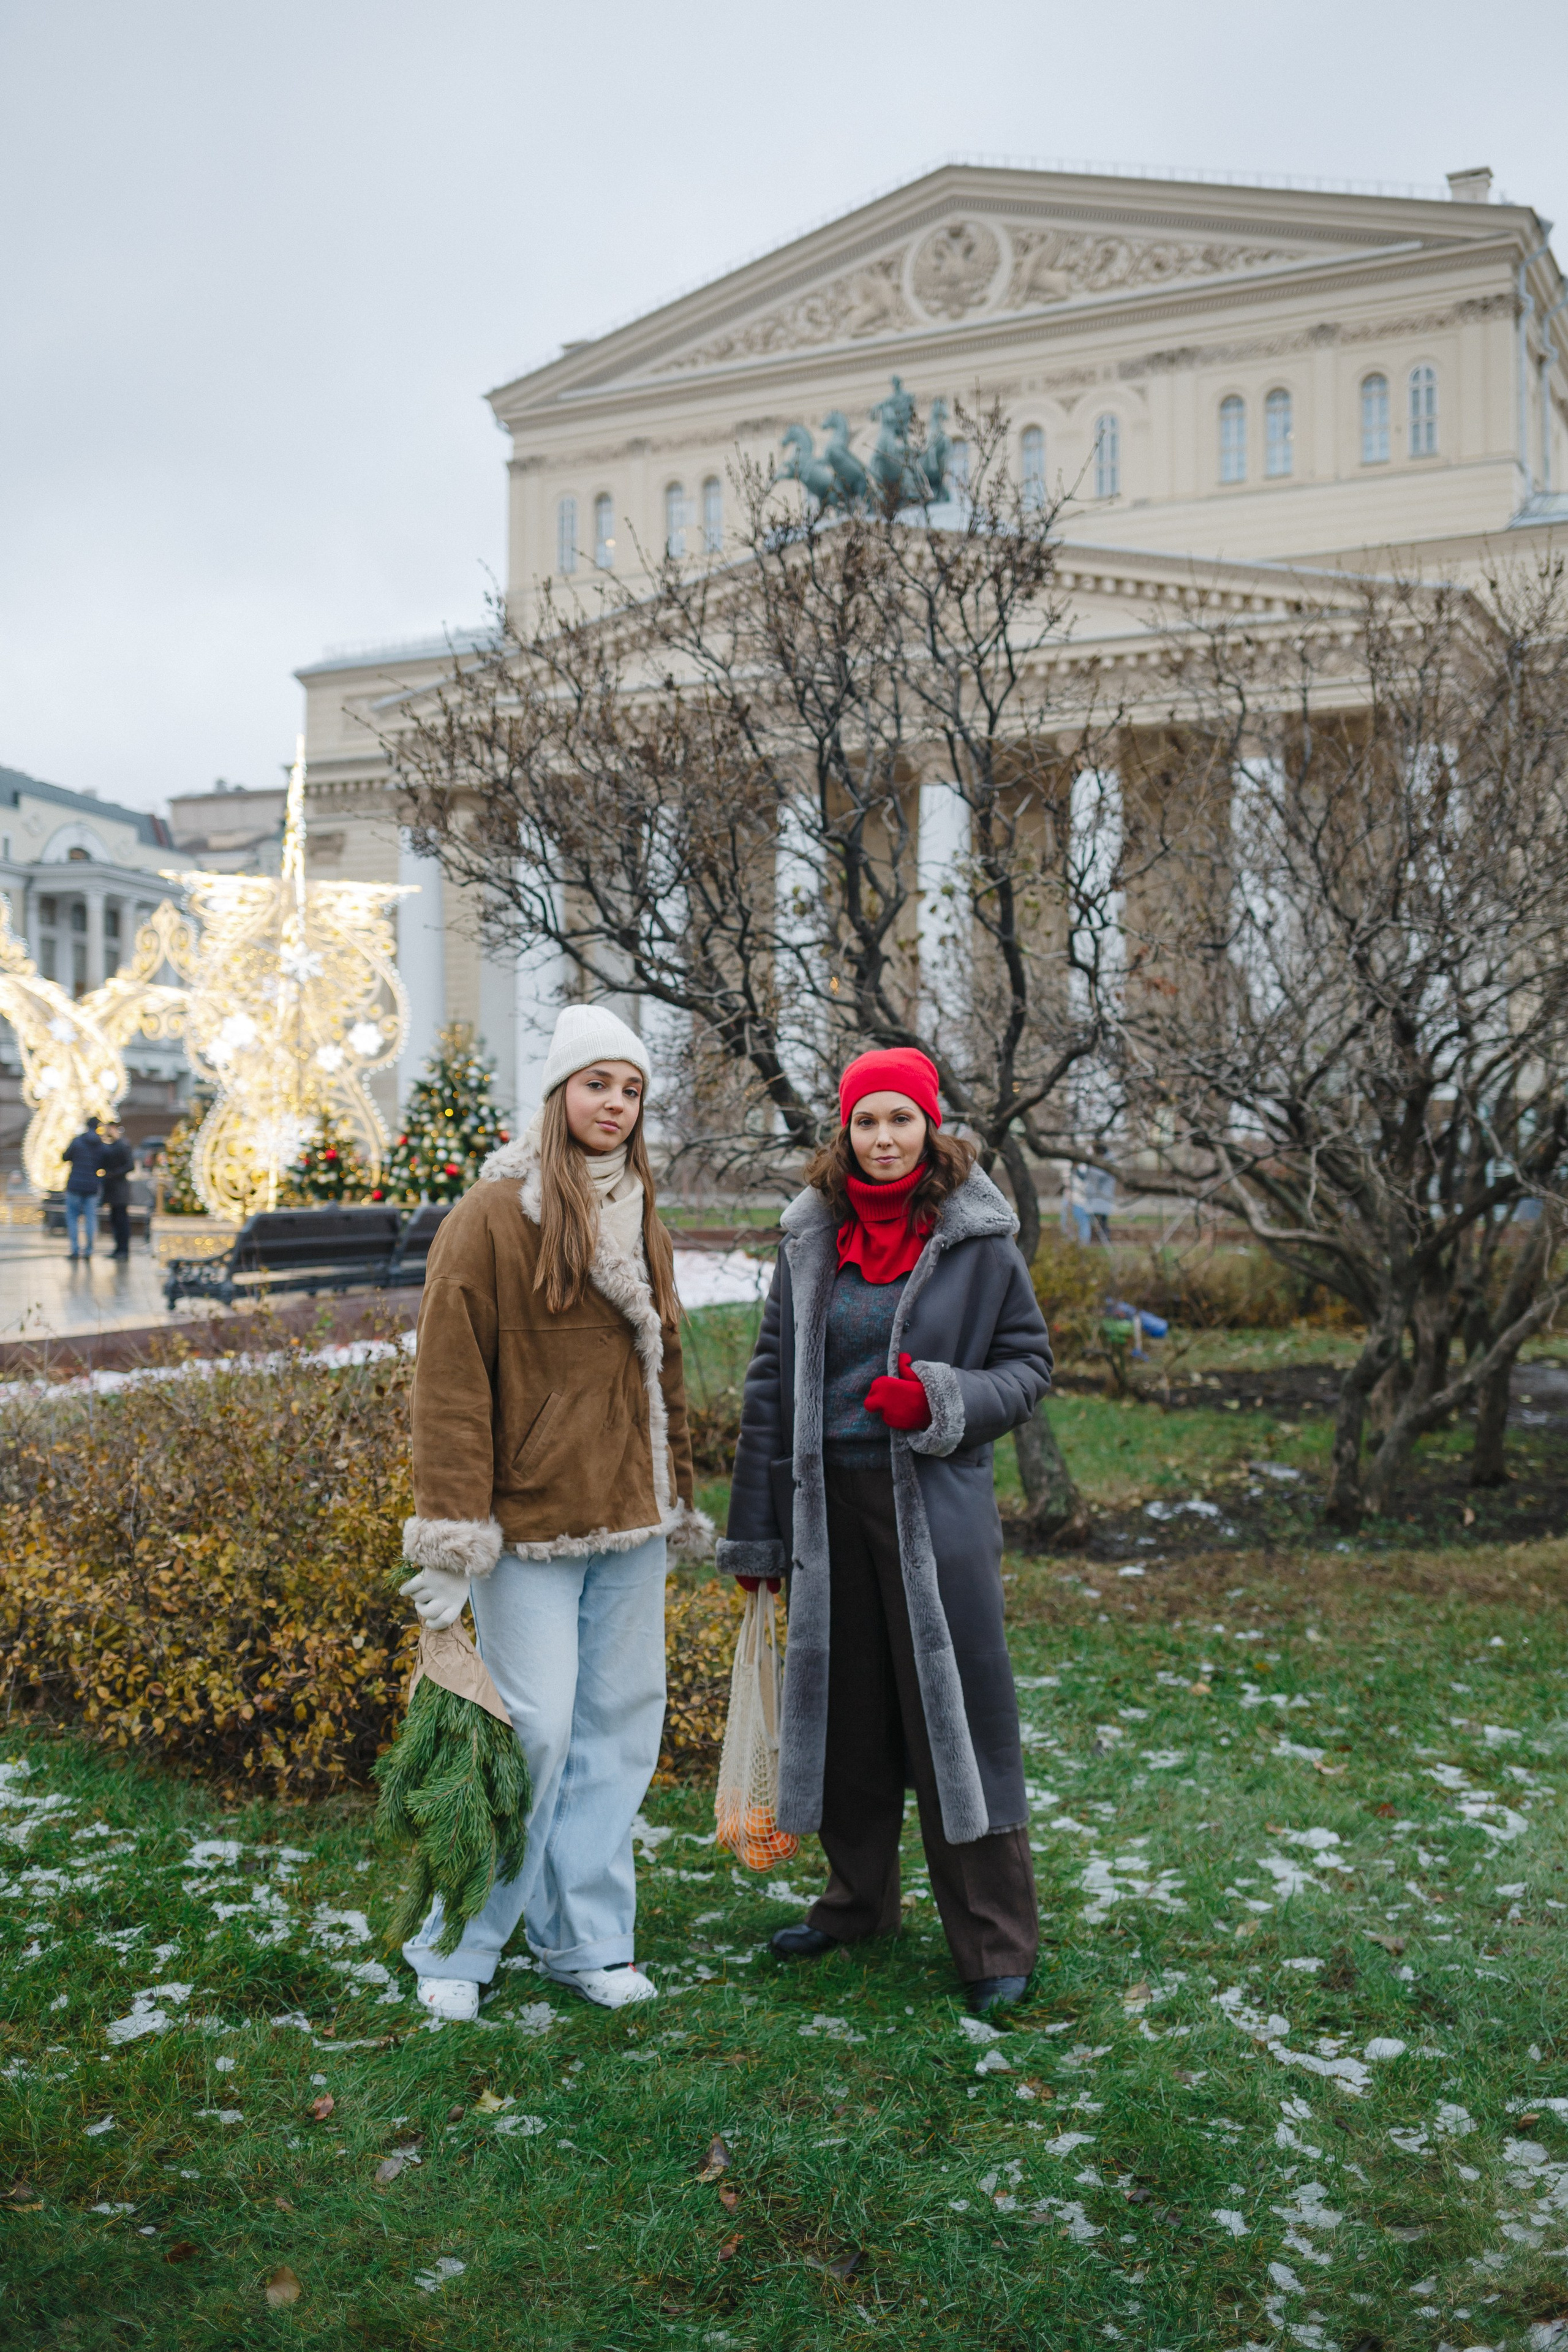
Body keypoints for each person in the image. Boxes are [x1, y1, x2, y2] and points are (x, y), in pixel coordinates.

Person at [718, 1047, 1053, 2015]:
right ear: (845, 1133)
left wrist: (941, 1399)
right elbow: (772, 1386)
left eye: (901, 1120)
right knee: (848, 1721)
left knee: (955, 1726)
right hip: (827, 1517)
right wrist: (757, 1542)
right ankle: (856, 1904)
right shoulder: (810, 1241)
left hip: (931, 1520)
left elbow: (1027, 1368)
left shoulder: (979, 1241)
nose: (884, 1140)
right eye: (867, 1123)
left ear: (930, 1128)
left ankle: (996, 1943)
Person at [397, 1005, 710, 2022]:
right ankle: (462, 1941)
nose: (613, 1105)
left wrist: (680, 1498)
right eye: (596, 1085)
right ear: (557, 1094)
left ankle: (588, 1940)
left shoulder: (644, 1212)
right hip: (527, 1526)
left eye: (630, 1090)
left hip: (630, 1519)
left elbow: (665, 1379)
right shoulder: (491, 1217)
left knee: (618, 1733)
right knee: (528, 1732)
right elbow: (450, 1387)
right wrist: (450, 1535)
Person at [60, 1117, 105, 1260]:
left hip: (75, 1185)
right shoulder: (101, 1145)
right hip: (92, 1185)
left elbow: (65, 1157)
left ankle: (75, 1249)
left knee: (72, 1217)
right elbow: (103, 1164)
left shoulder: (77, 1141)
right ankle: (89, 1250)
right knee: (91, 1218)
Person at [97, 1121, 135, 1259]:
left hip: (119, 1190)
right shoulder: (114, 1145)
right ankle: (119, 1249)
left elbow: (130, 1166)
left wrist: (113, 1173)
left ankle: (123, 1250)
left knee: (121, 1220)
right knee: (115, 1220)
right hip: (114, 1190)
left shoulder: (122, 1145)